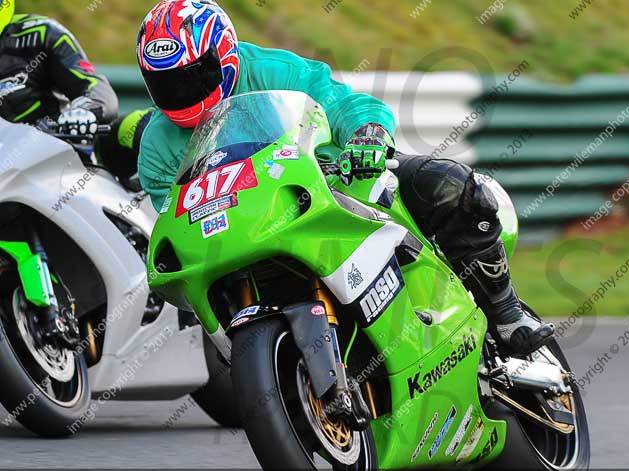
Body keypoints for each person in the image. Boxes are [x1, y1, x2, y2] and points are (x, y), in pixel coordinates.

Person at [136, 0, 553, 355]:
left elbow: (341, 102)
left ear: (225, 56)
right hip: (246, 232)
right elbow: (175, 217)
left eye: (192, 77)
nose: (181, 93)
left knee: (447, 186)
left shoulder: (273, 71)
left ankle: (505, 313)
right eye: (166, 83)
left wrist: (367, 133)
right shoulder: (157, 148)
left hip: (334, 182)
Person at [0, 1, 117, 136]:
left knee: (131, 126)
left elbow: (96, 89)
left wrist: (84, 112)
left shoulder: (42, 33)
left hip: (55, 146)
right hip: (6, 153)